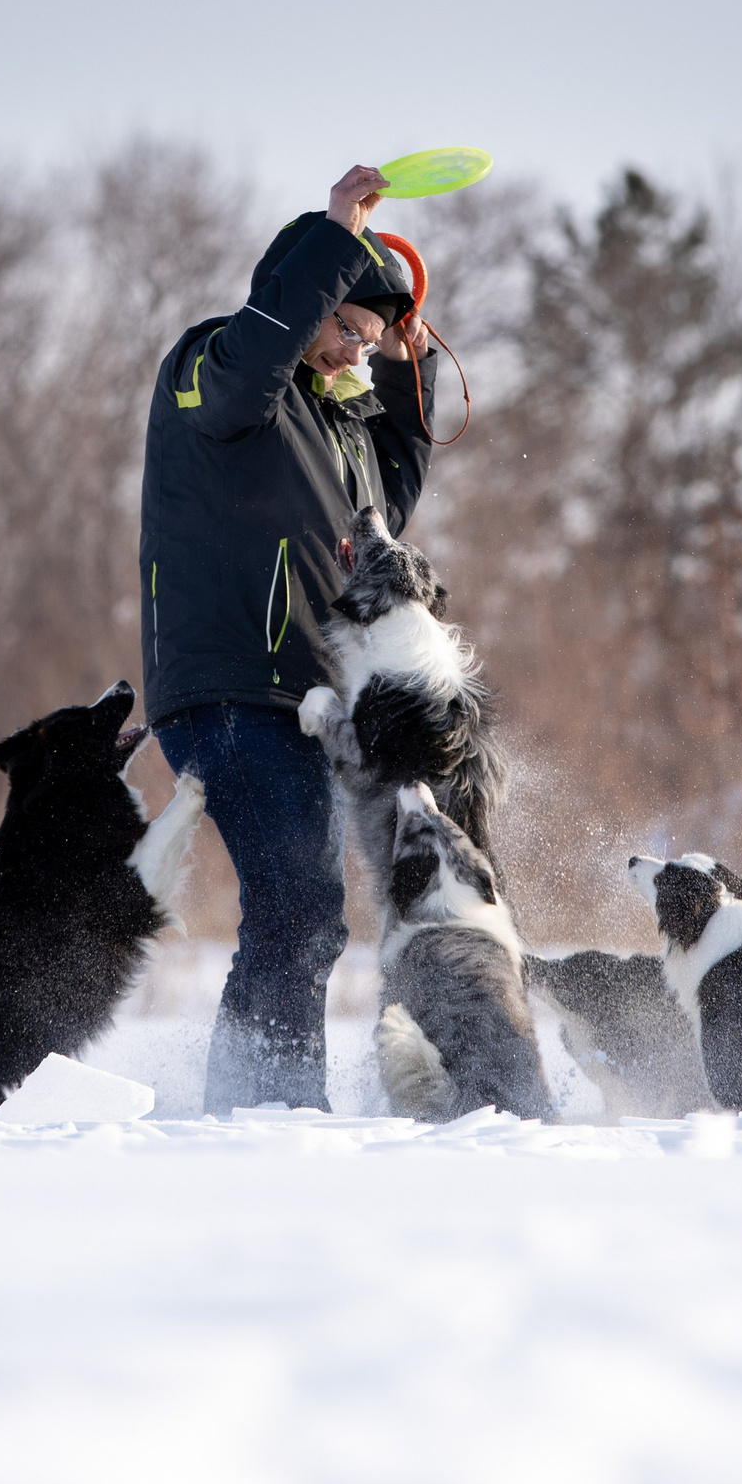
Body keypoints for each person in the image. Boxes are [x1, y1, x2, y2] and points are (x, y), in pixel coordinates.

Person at [137, 164, 440, 1112]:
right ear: (298, 291)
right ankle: (262, 1111)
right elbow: (257, 356)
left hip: (299, 700)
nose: (352, 346)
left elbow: (385, 503)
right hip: (228, 685)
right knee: (301, 910)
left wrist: (404, 369)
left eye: (365, 336)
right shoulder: (215, 366)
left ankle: (262, 1106)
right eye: (344, 324)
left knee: (306, 917)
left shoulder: (332, 413)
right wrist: (336, 229)